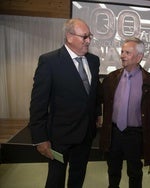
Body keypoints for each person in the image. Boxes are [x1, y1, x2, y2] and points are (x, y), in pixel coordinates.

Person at [28, 18, 101, 188]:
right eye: (85, 37)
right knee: (55, 179)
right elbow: (38, 103)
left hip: (85, 135)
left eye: (90, 36)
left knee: (78, 176)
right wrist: (40, 138)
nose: (89, 41)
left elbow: (94, 91)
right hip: (59, 137)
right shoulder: (49, 61)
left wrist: (97, 112)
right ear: (69, 36)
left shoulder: (94, 61)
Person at [99, 37, 150, 188]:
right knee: (113, 169)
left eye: (127, 52)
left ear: (139, 57)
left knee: (134, 172)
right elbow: (100, 101)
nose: (122, 55)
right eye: (122, 51)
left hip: (135, 135)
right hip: (113, 133)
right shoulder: (111, 78)